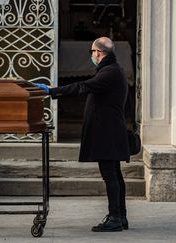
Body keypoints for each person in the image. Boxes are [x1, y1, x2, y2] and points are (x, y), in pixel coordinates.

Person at [34, 37, 130, 232]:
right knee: (115, 175)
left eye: (92, 52)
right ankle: (120, 217)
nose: (92, 56)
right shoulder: (113, 70)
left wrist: (52, 91)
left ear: (98, 53)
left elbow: (81, 87)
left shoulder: (109, 73)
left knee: (110, 176)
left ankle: (115, 218)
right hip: (111, 131)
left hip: (108, 133)